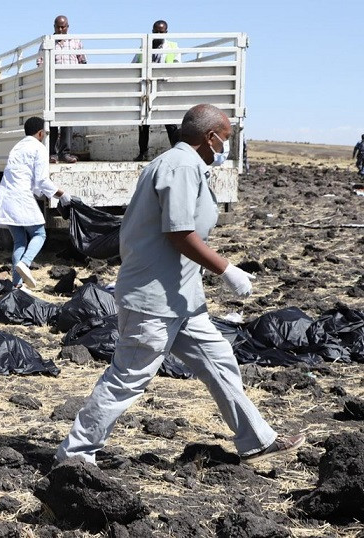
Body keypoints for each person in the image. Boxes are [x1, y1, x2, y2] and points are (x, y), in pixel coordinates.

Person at [55, 104, 306, 466]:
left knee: (219, 361)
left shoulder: (181, 164)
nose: (225, 148)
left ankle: (257, 440)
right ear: (210, 137)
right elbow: (179, 233)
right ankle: (75, 455)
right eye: (225, 140)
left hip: (182, 298)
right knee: (128, 377)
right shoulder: (181, 167)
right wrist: (227, 269)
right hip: (153, 299)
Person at [0, 117, 71, 289]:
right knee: (39, 234)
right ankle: (25, 263)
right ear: (41, 133)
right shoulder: (39, 148)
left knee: (20, 241)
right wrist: (62, 195)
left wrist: (41, 192)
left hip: (6, 196)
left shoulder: (18, 146)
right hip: (20, 196)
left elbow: (33, 180)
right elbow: (42, 180)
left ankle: (17, 285)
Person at [135, 20, 181, 161]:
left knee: (170, 123)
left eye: (161, 32)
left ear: (166, 32)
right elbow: (135, 65)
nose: (158, 34)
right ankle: (143, 152)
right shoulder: (144, 46)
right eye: (156, 31)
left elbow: (177, 68)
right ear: (152, 31)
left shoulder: (173, 47)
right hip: (147, 89)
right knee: (144, 123)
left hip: (164, 90)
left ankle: (177, 152)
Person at [44, 15, 86, 164]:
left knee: (67, 120)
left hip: (69, 86)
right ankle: (52, 153)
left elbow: (83, 62)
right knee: (52, 121)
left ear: (68, 27)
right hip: (52, 86)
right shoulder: (48, 42)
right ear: (54, 26)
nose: (61, 30)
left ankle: (65, 153)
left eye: (63, 27)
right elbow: (40, 63)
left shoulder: (75, 42)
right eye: (58, 27)